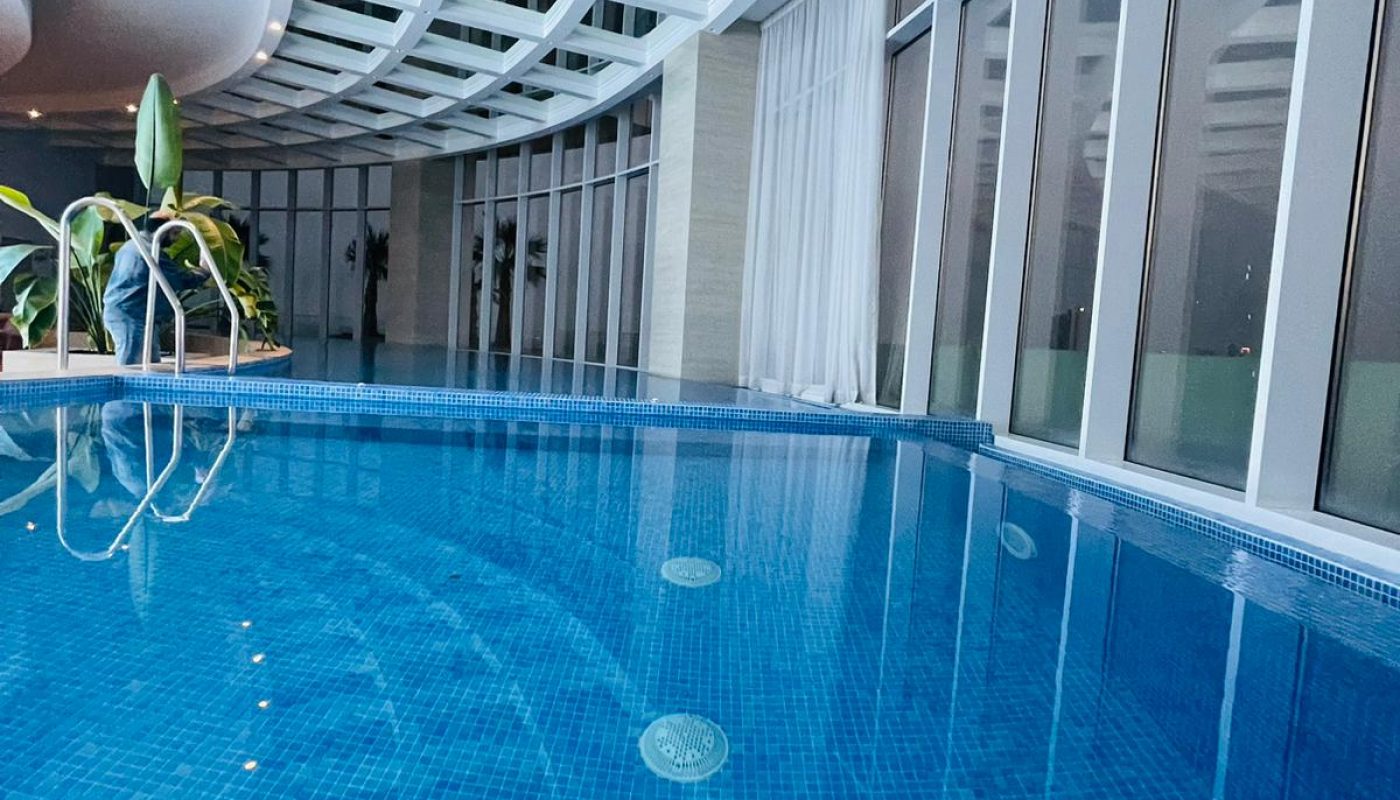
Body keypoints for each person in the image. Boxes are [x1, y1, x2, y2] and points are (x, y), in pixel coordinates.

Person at [102, 237, 209, 365]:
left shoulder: (130, 245)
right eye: (175, 234)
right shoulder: (150, 251)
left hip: (129, 312)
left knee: (150, 365)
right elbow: (179, 279)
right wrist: (204, 271)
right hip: (130, 315)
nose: (176, 239)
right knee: (130, 366)